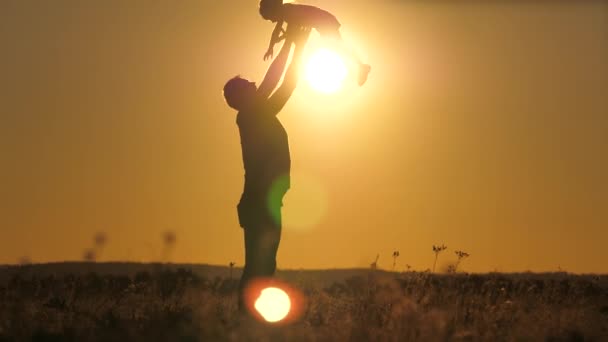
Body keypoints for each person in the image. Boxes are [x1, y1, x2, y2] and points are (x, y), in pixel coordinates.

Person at [223, 25, 311, 315]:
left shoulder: (260, 112)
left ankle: (250, 318)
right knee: (259, 265)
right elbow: (275, 79)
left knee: (265, 264)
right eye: (248, 85)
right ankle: (246, 319)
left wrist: (298, 45)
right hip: (259, 201)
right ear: (241, 97)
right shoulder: (250, 115)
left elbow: (287, 84)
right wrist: (293, 44)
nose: (253, 85)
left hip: (263, 201)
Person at [259, 0, 371, 86]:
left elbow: (290, 31)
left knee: (339, 48)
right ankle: (360, 67)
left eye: (270, 18)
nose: (272, 21)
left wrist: (280, 40)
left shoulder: (288, 12)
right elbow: (282, 32)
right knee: (339, 48)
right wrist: (272, 46)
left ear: (274, 10)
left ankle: (361, 67)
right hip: (324, 22)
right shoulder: (286, 12)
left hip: (325, 22)